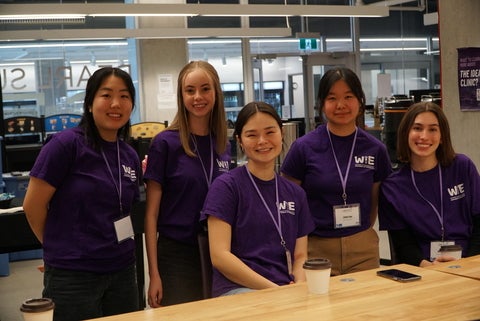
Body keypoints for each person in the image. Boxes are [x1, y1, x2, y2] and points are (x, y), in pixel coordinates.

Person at [23, 67, 141, 321]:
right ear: (89, 103)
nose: (115, 104)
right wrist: (57, 247)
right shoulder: (65, 145)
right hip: (73, 274)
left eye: (124, 96)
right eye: (106, 95)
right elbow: (32, 206)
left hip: (122, 269)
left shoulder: (129, 154)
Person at [280, 67, 392, 276]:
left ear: (360, 100)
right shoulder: (303, 148)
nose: (341, 105)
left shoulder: (375, 149)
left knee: (364, 307)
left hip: (363, 248)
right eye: (332, 98)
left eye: (348, 96)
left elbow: (374, 200)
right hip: (316, 249)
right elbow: (290, 203)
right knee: (321, 307)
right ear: (322, 104)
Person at [201, 101, 315, 297]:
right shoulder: (226, 187)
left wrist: (298, 284)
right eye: (252, 135)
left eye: (270, 132)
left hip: (285, 290)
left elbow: (300, 256)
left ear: (282, 133)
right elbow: (220, 256)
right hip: (238, 290)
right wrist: (274, 291)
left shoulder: (296, 194)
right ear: (240, 141)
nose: (262, 141)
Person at [144, 60, 230, 307]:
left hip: (218, 252)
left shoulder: (222, 144)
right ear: (181, 96)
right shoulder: (165, 144)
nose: (198, 97)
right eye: (190, 90)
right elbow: (151, 216)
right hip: (177, 256)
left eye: (205, 89)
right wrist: (154, 274)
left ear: (216, 92)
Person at [379, 102, 480, 267]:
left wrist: (467, 264)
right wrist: (429, 267)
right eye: (417, 128)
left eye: (433, 129)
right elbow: (403, 245)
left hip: (470, 263)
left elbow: (479, 225)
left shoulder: (462, 167)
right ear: (406, 133)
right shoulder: (392, 187)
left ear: (442, 136)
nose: (424, 136)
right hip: (424, 269)